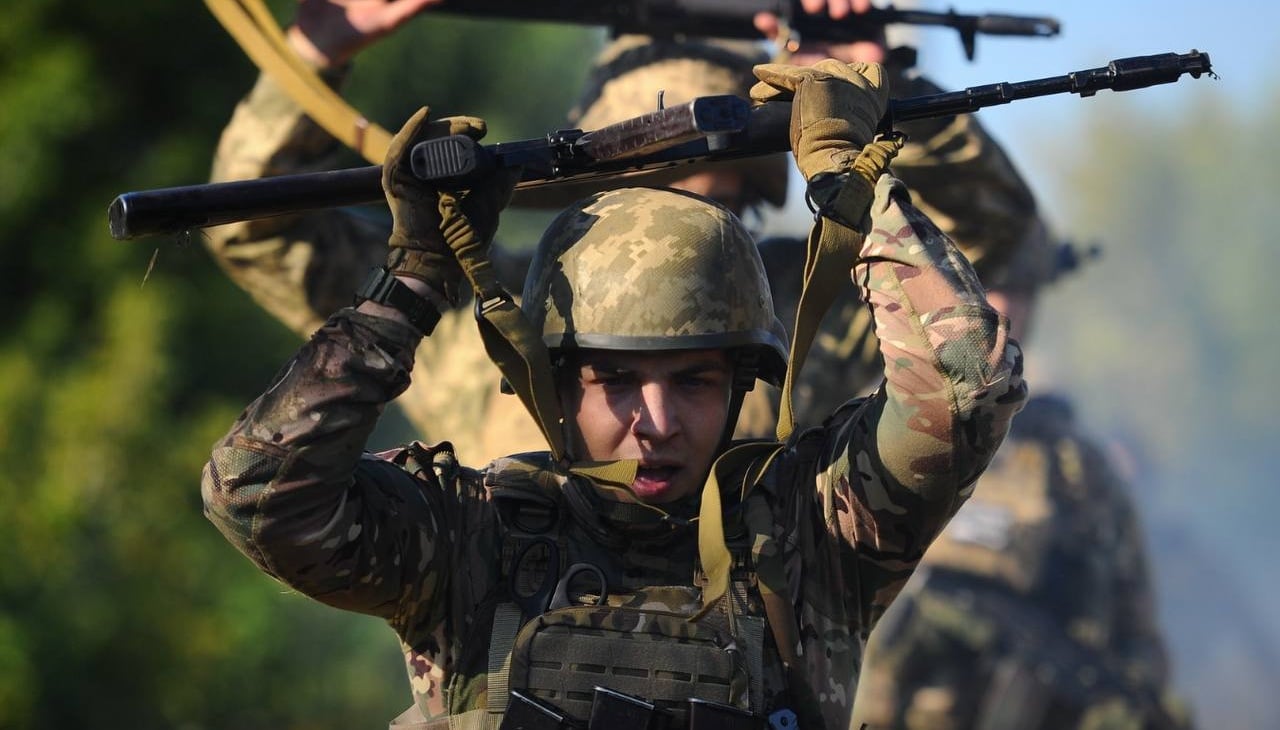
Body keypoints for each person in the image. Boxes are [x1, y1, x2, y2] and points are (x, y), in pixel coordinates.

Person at [200, 57, 1026, 730]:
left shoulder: (816, 535)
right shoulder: (464, 537)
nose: (656, 424)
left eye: (694, 381)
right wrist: (413, 283)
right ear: (554, 385)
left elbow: (968, 388)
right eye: (617, 380)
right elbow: (258, 495)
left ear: (742, 380)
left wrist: (852, 183)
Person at [204, 0, 1038, 463]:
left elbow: (990, 253)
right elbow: (253, 230)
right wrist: (314, 54)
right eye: (646, 195)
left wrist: (874, 95)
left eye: (712, 205)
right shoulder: (481, 312)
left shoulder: (802, 307)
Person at [850, 224, 1190, 729]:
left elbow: (1133, 635)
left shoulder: (1074, 470)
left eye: (1021, 289)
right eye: (986, 282)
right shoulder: (871, 433)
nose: (1004, 305)